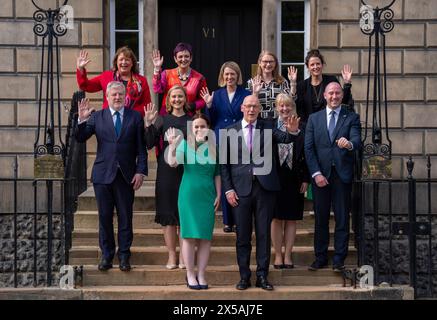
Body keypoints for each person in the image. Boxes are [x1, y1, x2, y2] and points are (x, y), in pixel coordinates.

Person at [221, 95, 301, 291]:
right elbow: (224, 165)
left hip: (265, 189)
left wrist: (293, 132)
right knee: (242, 236)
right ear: (242, 108)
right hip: (240, 190)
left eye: (255, 107)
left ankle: (262, 276)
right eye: (248, 106)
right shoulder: (229, 131)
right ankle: (244, 276)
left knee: (264, 234)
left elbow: (284, 138)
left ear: (259, 109)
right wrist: (228, 189)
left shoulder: (267, 127)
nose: (251, 110)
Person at [75, 81, 147, 272]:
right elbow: (80, 137)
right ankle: (107, 255)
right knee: (105, 217)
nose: (117, 97)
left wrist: (141, 171)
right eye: (114, 94)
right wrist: (81, 120)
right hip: (102, 175)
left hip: (126, 176)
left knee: (125, 217)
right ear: (107, 97)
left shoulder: (135, 117)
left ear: (126, 96)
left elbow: (142, 148)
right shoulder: (97, 117)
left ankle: (124, 255)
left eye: (120, 94)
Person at [304, 82, 361, 272]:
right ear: (325, 96)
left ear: (342, 95)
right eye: (331, 93)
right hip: (320, 176)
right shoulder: (314, 119)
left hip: (342, 175)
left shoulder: (351, 117)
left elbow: (356, 141)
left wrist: (349, 144)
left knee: (342, 219)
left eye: (338, 93)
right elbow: (309, 149)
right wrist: (316, 173)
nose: (334, 96)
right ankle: (320, 257)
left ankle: (339, 259)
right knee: (320, 219)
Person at [166, 114, 221, 290]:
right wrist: (173, 146)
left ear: (208, 128)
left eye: (202, 126)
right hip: (188, 195)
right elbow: (173, 164)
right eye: (195, 126)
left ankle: (202, 274)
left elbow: (217, 174)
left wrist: (219, 194)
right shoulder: (184, 145)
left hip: (208, 195)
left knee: (205, 238)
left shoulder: (213, 148)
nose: (198, 129)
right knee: (189, 236)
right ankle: (190, 274)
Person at [200, 61, 251, 233]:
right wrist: (208, 105)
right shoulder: (216, 94)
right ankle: (227, 221)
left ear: (238, 76)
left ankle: (238, 218)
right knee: (224, 175)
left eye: (233, 74)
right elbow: (210, 119)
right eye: (226, 74)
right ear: (222, 76)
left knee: (237, 175)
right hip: (220, 137)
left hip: (239, 137)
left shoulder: (246, 93)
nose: (229, 77)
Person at [143, 85, 191, 270]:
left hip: (187, 171)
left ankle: (185, 256)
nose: (177, 99)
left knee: (184, 215)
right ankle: (172, 255)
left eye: (180, 96)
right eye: (174, 97)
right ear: (168, 100)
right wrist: (148, 123)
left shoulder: (191, 120)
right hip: (166, 173)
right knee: (168, 214)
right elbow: (149, 143)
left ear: (185, 99)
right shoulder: (162, 120)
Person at [271, 94, 310, 269]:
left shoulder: (303, 126)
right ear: (276, 108)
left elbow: (307, 153)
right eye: (281, 106)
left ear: (292, 107)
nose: (285, 109)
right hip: (275, 179)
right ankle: (278, 255)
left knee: (291, 219)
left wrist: (306, 178)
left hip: (295, 178)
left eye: (288, 106)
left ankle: (288, 255)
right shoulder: (270, 125)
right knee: (276, 219)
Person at [76, 46, 151, 117]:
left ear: (132, 63)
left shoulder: (141, 81)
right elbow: (85, 86)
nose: (124, 62)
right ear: (116, 62)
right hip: (109, 121)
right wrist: (81, 69)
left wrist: (129, 114)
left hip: (133, 122)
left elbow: (147, 104)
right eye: (121, 59)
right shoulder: (106, 76)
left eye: (127, 60)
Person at [295, 49, 353, 122]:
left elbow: (342, 100)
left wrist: (347, 84)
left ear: (322, 65)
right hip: (309, 126)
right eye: (312, 65)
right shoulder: (302, 86)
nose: (315, 67)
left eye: (318, 63)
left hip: (330, 124)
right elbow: (299, 109)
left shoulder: (331, 81)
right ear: (308, 67)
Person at [152, 43, 207, 116]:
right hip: (167, 115)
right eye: (180, 57)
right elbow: (157, 89)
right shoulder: (167, 74)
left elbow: (204, 99)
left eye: (186, 56)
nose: (183, 59)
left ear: (191, 58)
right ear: (175, 59)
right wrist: (157, 69)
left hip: (189, 116)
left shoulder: (199, 78)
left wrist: (193, 105)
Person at [246, 50, 297, 120]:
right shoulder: (251, 82)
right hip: (259, 121)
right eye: (265, 61)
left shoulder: (282, 82)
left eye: (271, 62)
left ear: (275, 64)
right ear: (260, 63)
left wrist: (293, 83)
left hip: (278, 121)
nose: (268, 64)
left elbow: (291, 102)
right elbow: (248, 105)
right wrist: (255, 93)